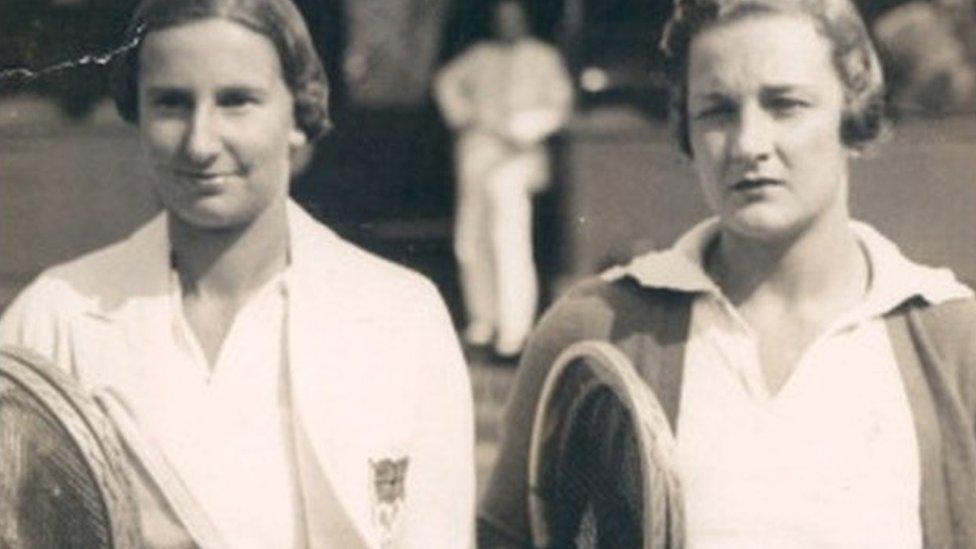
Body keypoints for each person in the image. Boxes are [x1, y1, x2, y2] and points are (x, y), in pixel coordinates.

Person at [478, 0, 976, 546]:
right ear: (686, 130)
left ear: (853, 112)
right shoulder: (598, 330)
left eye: (785, 105)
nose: (748, 145)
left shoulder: (954, 339)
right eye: (717, 111)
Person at [0, 0, 475, 547]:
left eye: (237, 101)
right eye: (172, 103)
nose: (201, 143)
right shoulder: (55, 319)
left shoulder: (402, 319)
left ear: (298, 118)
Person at [433, 0, 573, 358]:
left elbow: (559, 106)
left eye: (513, 17)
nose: (506, 23)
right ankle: (483, 319)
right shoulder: (480, 56)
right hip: (479, 152)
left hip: (516, 157)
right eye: (500, 18)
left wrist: (523, 128)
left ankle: (514, 328)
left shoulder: (543, 57)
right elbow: (445, 83)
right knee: (471, 237)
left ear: (524, 19)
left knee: (508, 239)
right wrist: (466, 115)